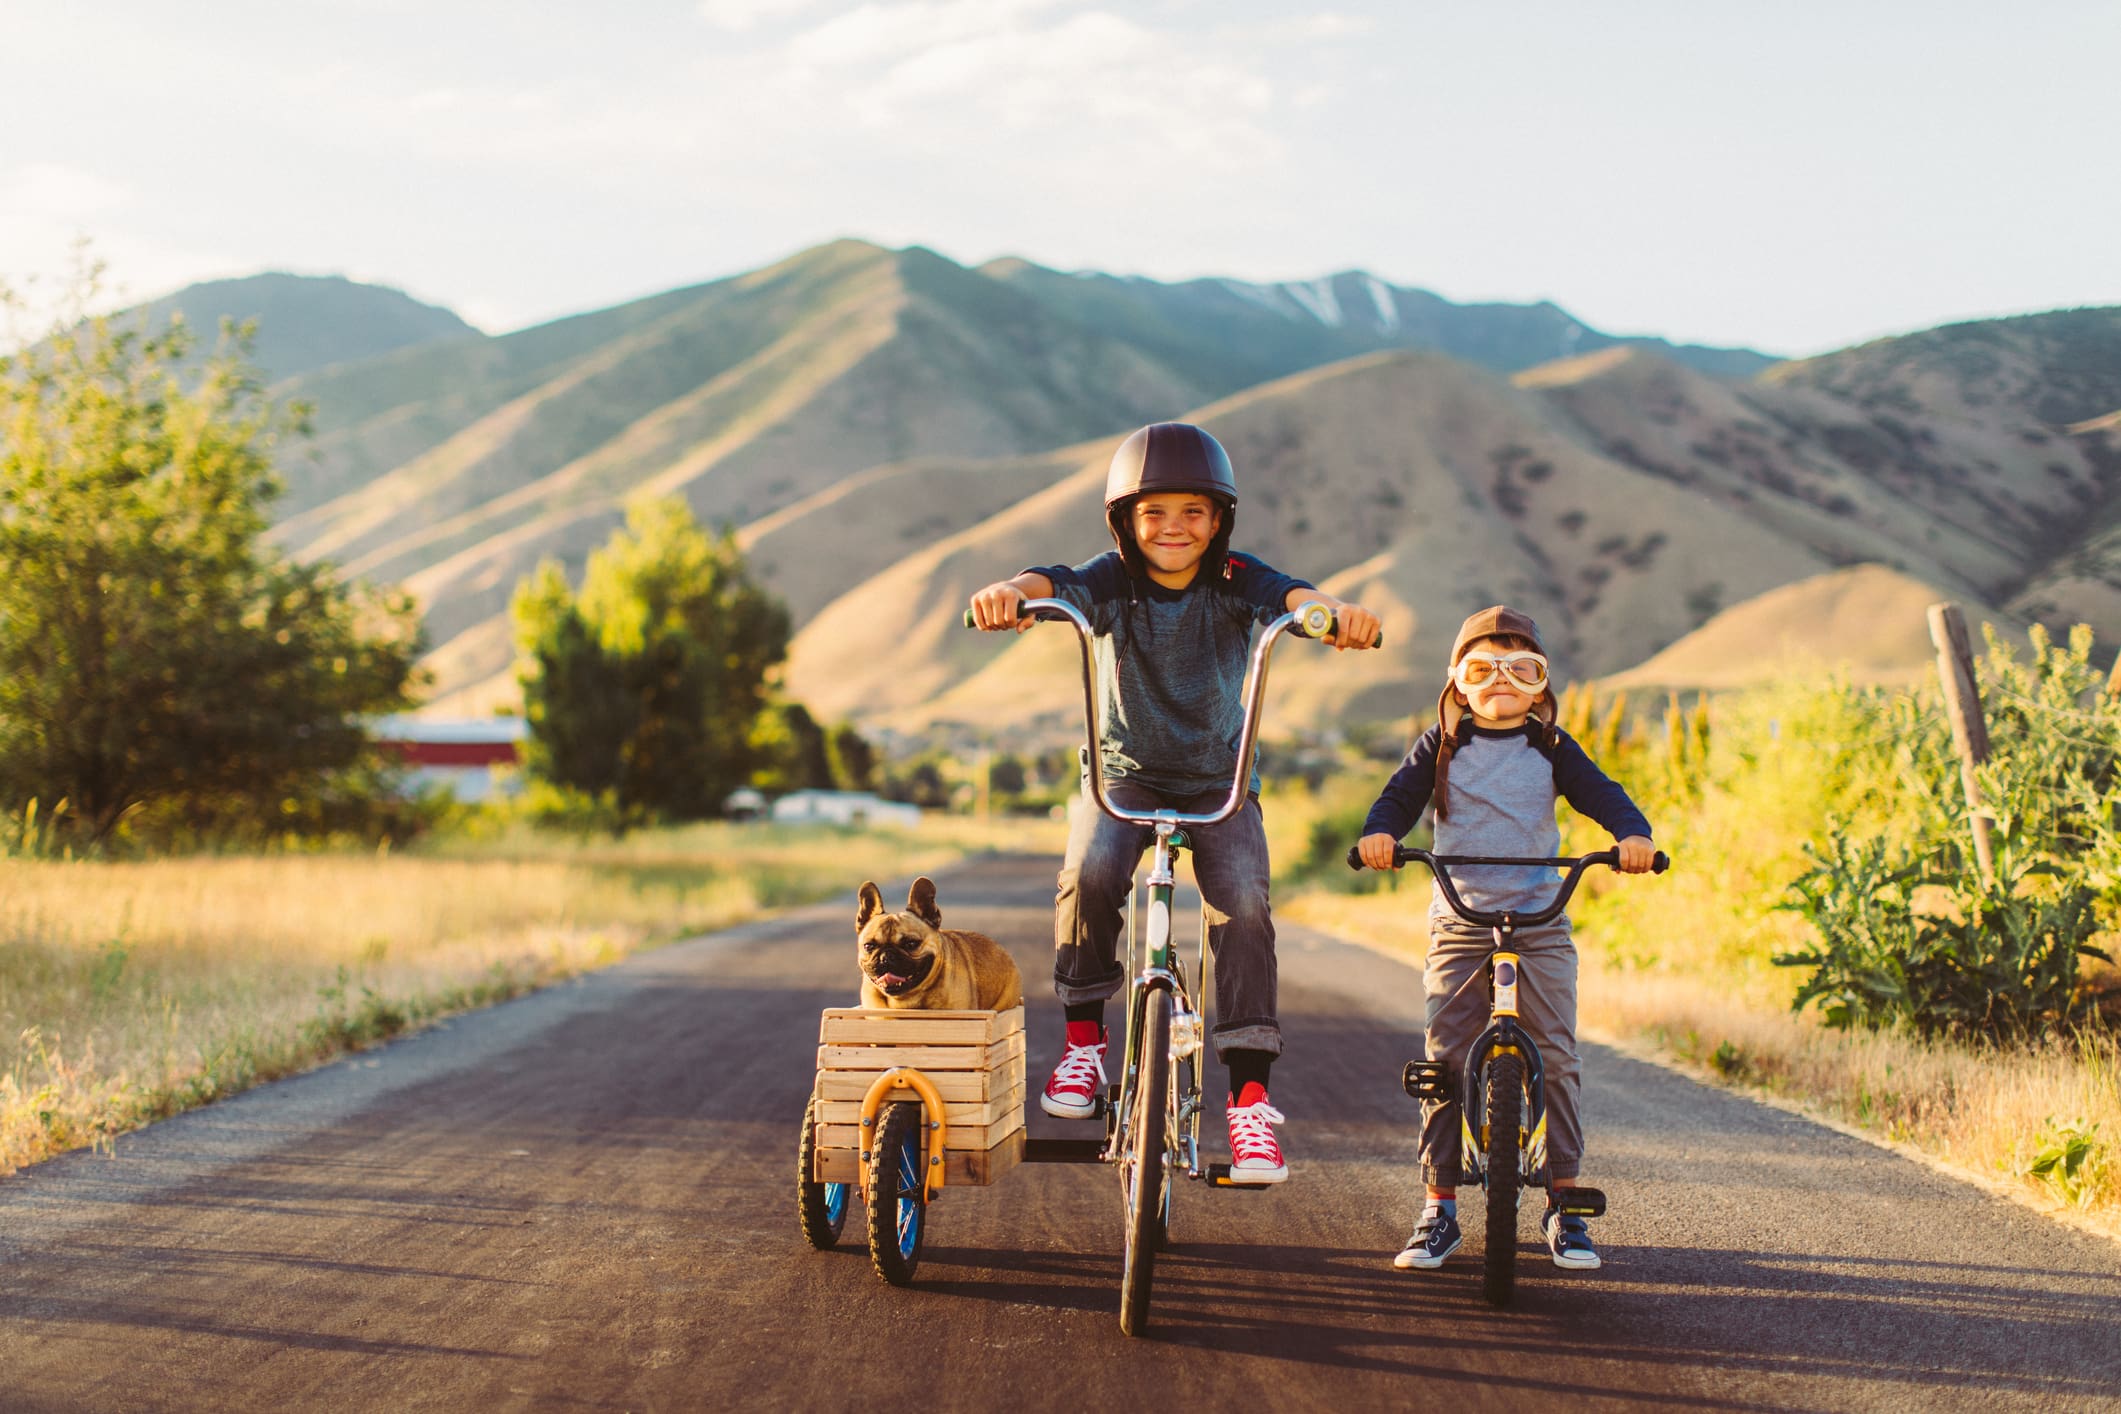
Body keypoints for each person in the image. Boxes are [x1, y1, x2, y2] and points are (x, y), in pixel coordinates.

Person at [969, 421, 1380, 1183]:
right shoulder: (1112, 581)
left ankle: (1250, 1102)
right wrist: (1009, 595)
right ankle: (1086, 1044)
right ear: (1124, 521)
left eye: (1193, 512)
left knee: (1246, 906)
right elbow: (1049, 580)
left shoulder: (1234, 581)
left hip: (1218, 783)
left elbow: (1295, 596)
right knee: (1089, 872)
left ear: (1219, 519)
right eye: (1153, 513)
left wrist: (1335, 616)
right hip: (1122, 773)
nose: (1173, 528)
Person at [1356, 606, 1654, 1270]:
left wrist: (1630, 837)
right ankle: (1438, 1206)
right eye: (1482, 668)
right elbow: (1396, 801)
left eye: (1521, 669)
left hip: (1539, 915)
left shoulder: (1551, 747)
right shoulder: (1440, 744)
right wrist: (1380, 835)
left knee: (1557, 1054)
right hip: (1461, 919)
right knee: (1443, 1060)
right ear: (1457, 681)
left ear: (1540, 686)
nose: (1501, 680)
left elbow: (1604, 796)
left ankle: (1565, 1203)